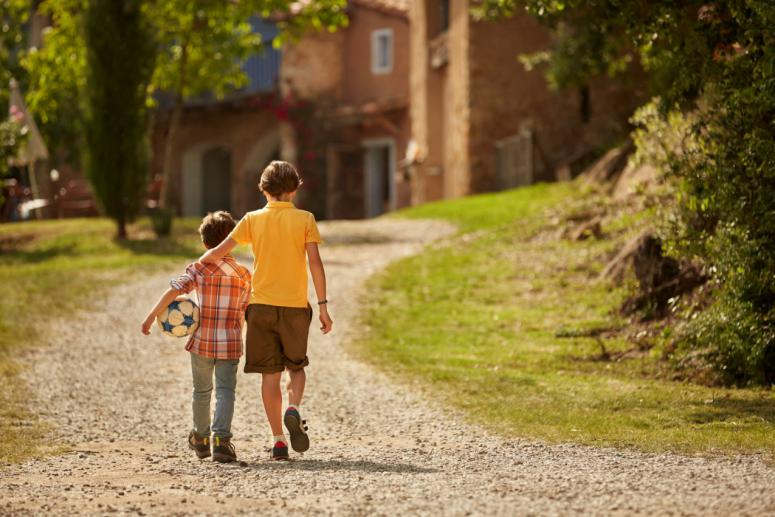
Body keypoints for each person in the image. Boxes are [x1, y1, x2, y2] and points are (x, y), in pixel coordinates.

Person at [199, 160, 333, 460]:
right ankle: (293, 407)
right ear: (295, 189)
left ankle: (278, 441)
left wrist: (198, 264)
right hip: (295, 308)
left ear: (263, 189)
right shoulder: (306, 219)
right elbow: (315, 264)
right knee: (296, 368)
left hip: (260, 308)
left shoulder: (251, 219)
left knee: (269, 376)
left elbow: (220, 250)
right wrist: (323, 307)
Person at [141, 211, 251, 463]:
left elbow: (173, 290)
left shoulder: (199, 268)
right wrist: (239, 335)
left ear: (205, 243)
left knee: (201, 391)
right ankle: (221, 442)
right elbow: (246, 311)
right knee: (226, 391)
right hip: (230, 342)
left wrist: (150, 317)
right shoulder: (244, 274)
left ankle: (200, 439)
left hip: (201, 341)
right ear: (234, 239)